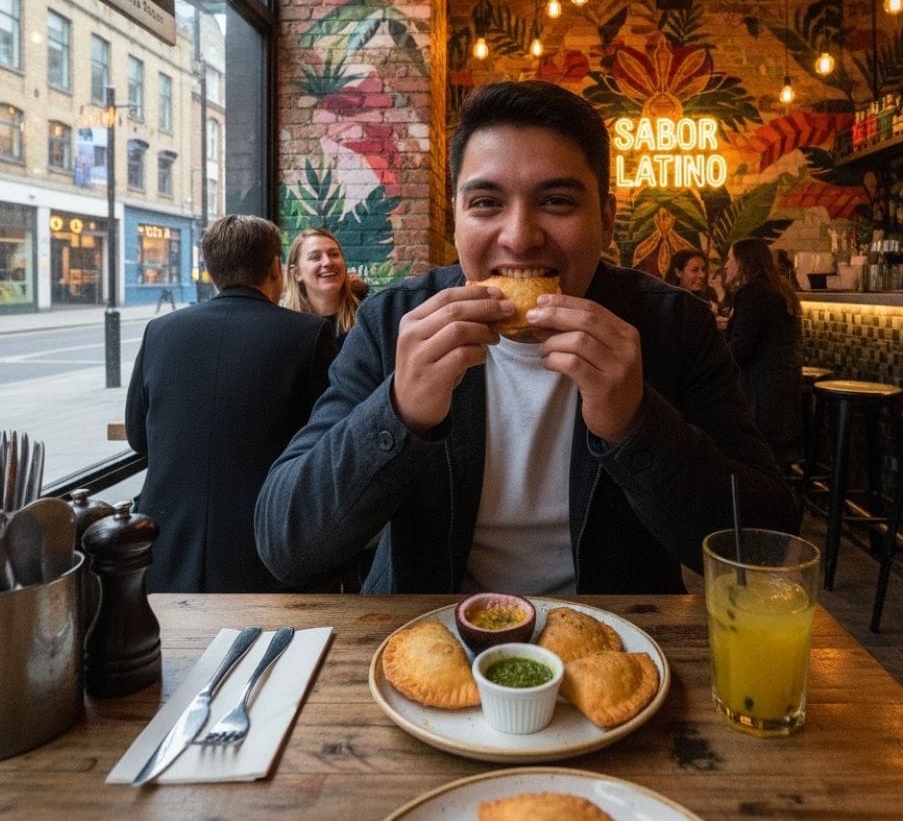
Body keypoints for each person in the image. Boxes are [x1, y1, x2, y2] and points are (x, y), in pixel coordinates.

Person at [255, 80, 797, 594]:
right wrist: (399, 414)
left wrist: (636, 425)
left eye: (557, 201)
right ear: (456, 218)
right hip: (428, 644)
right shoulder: (395, 321)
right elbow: (287, 543)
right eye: (486, 203)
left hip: (618, 653)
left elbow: (767, 547)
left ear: (606, 219)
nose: (519, 236)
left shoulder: (674, 325)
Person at [126, 214, 337, 592]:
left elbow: (138, 438)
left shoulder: (160, 331)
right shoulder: (309, 335)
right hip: (267, 551)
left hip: (167, 550)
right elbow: (328, 446)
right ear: (276, 268)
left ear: (209, 272)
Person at [722, 238, 804, 471]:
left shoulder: (752, 294)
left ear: (743, 262)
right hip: (784, 394)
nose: (726, 265)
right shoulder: (778, 291)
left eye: (730, 259)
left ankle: (747, 499)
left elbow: (739, 350)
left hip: (761, 399)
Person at [281, 227, 366, 345]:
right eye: (315, 257)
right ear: (297, 273)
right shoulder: (282, 326)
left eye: (334, 254)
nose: (328, 262)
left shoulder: (366, 318)